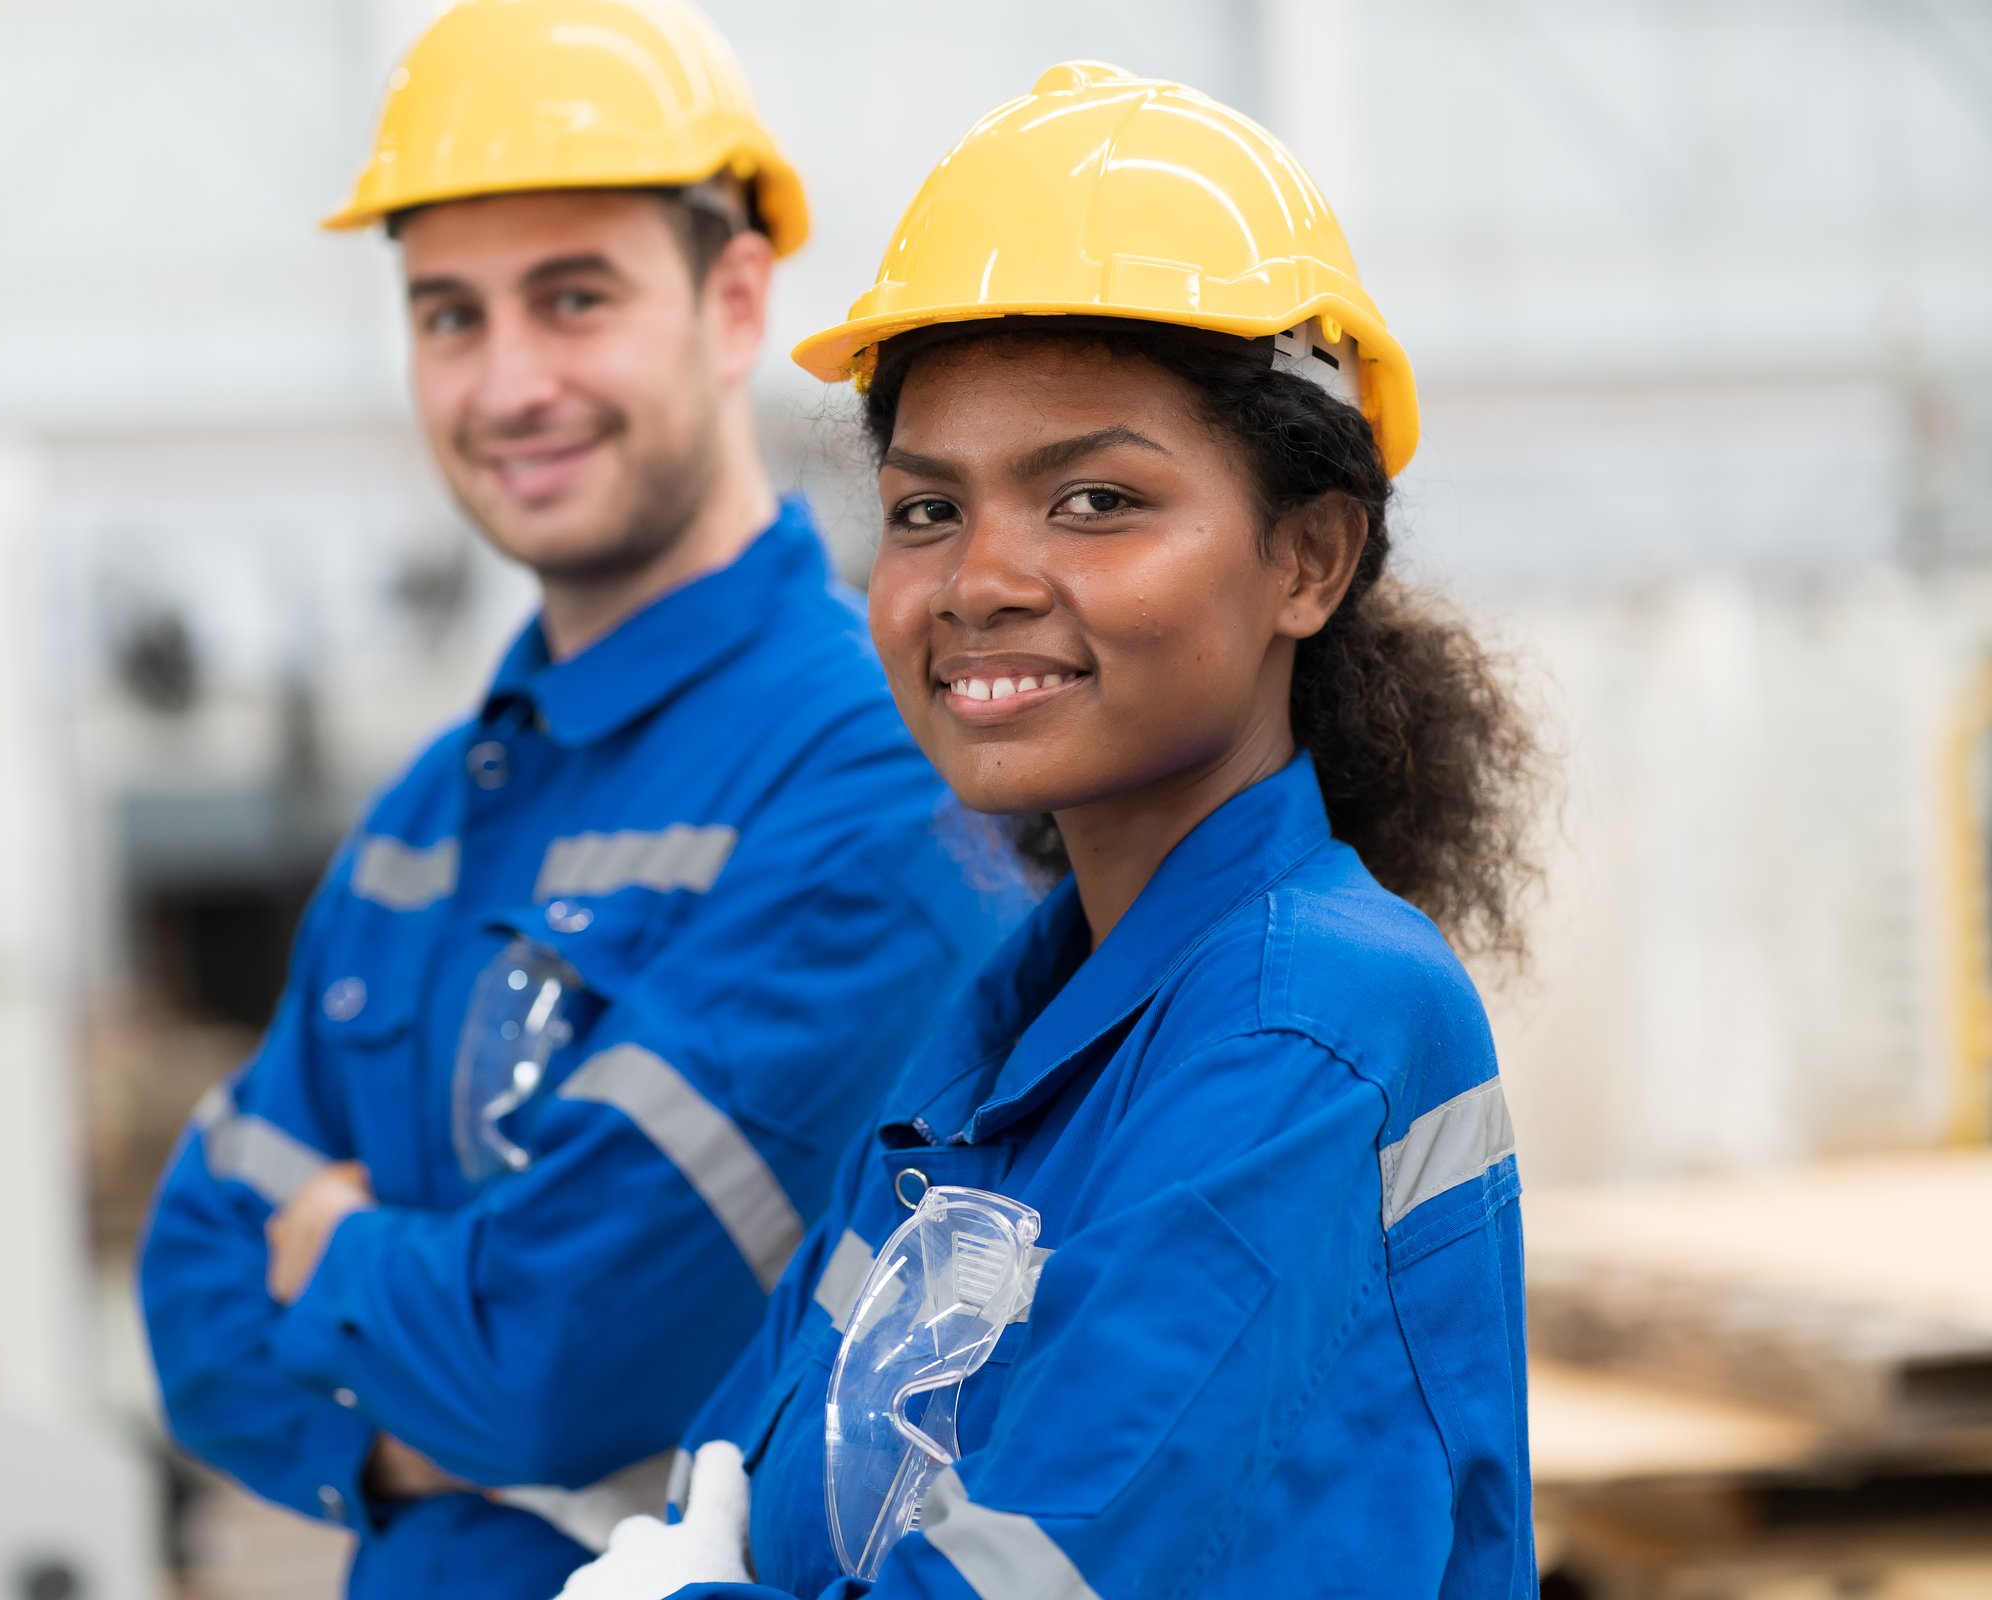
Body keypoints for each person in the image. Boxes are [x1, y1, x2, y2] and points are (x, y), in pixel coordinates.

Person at [558, 62, 1543, 1600]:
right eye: (926, 509)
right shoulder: (1002, 1033)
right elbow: (747, 1460)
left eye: (1092, 500)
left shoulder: (1313, 1023)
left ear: (1310, 559)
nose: (979, 580)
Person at [135, 5, 1025, 1596]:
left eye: (575, 299)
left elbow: (547, 1362)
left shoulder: (874, 782)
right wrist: (436, 1383)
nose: (509, 383)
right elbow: (195, 1296)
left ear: (734, 298)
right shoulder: (434, 812)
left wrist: (339, 1255)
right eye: (449, 317)